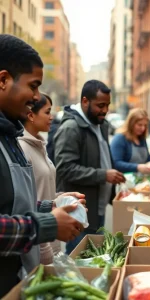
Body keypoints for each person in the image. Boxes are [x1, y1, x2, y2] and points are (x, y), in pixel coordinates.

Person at [0, 34, 85, 296]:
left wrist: (51, 206)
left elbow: (11, 203)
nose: (36, 97)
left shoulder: (9, 137)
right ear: (3, 80)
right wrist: (45, 224)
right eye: (33, 86)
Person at [54, 80, 126, 254]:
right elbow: (65, 168)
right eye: (100, 105)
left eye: (107, 105)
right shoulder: (71, 128)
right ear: (85, 101)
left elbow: (102, 158)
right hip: (79, 210)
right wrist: (103, 175)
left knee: (93, 258)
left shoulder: (101, 125)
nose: (105, 111)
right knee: (78, 258)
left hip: (97, 206)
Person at [18, 93, 61, 265]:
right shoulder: (22, 149)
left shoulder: (40, 145)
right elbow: (28, 202)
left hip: (52, 234)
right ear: (31, 115)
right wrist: (45, 250)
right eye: (47, 112)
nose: (52, 117)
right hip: (39, 243)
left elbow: (43, 189)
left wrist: (61, 198)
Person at [111, 108, 150, 174]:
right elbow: (116, 163)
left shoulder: (141, 139)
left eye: (145, 125)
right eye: (140, 125)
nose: (143, 128)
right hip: (124, 181)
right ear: (131, 123)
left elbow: (148, 159)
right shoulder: (120, 139)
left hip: (141, 180)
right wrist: (137, 167)